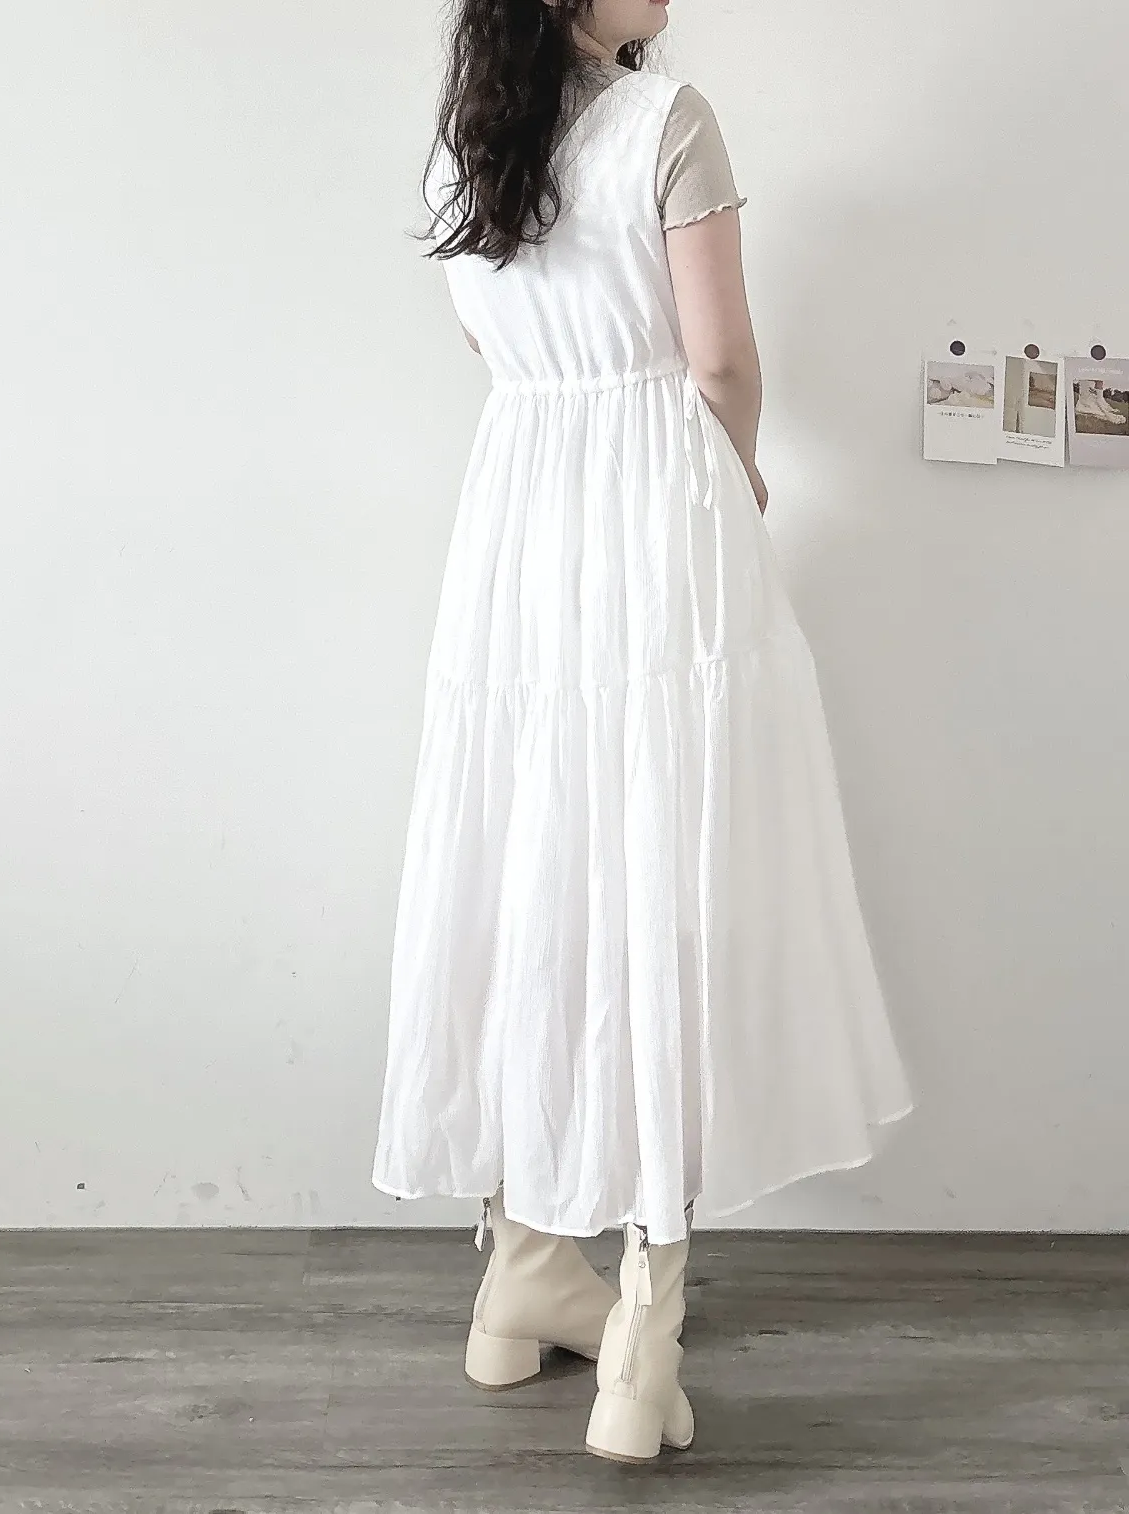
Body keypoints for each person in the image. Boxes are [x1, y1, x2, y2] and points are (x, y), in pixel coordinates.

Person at [372, 0, 915, 1464]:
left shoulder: (465, 145)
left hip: (521, 522)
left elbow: (489, 340)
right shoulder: (667, 122)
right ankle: (640, 1341)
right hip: (656, 517)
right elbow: (721, 359)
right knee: (667, 881)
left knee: (536, 868)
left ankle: (520, 1276)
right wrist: (738, 475)